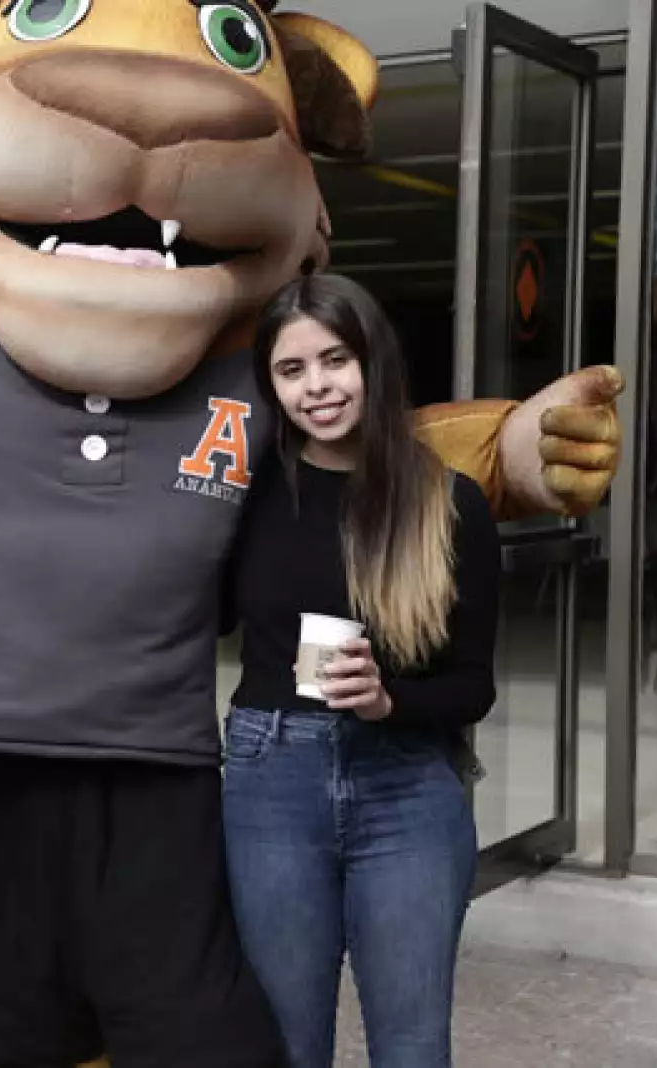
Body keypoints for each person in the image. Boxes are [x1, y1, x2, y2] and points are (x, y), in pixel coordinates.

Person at [220, 272, 502, 1068]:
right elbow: (198, 615)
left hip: (409, 787)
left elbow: (474, 685)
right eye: (292, 369)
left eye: (334, 360)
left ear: (372, 360)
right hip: (270, 778)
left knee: (412, 1047)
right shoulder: (249, 491)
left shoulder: (451, 502)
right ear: (272, 386)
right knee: (284, 1045)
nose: (317, 387)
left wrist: (389, 700)